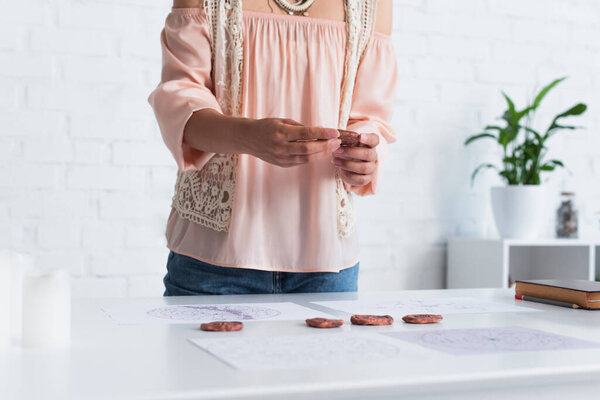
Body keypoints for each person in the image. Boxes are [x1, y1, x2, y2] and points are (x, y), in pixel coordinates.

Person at [147, 0, 398, 296]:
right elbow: (179, 105)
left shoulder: (371, 5)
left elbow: (371, 120)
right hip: (213, 261)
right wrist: (249, 136)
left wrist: (366, 157)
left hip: (327, 264)